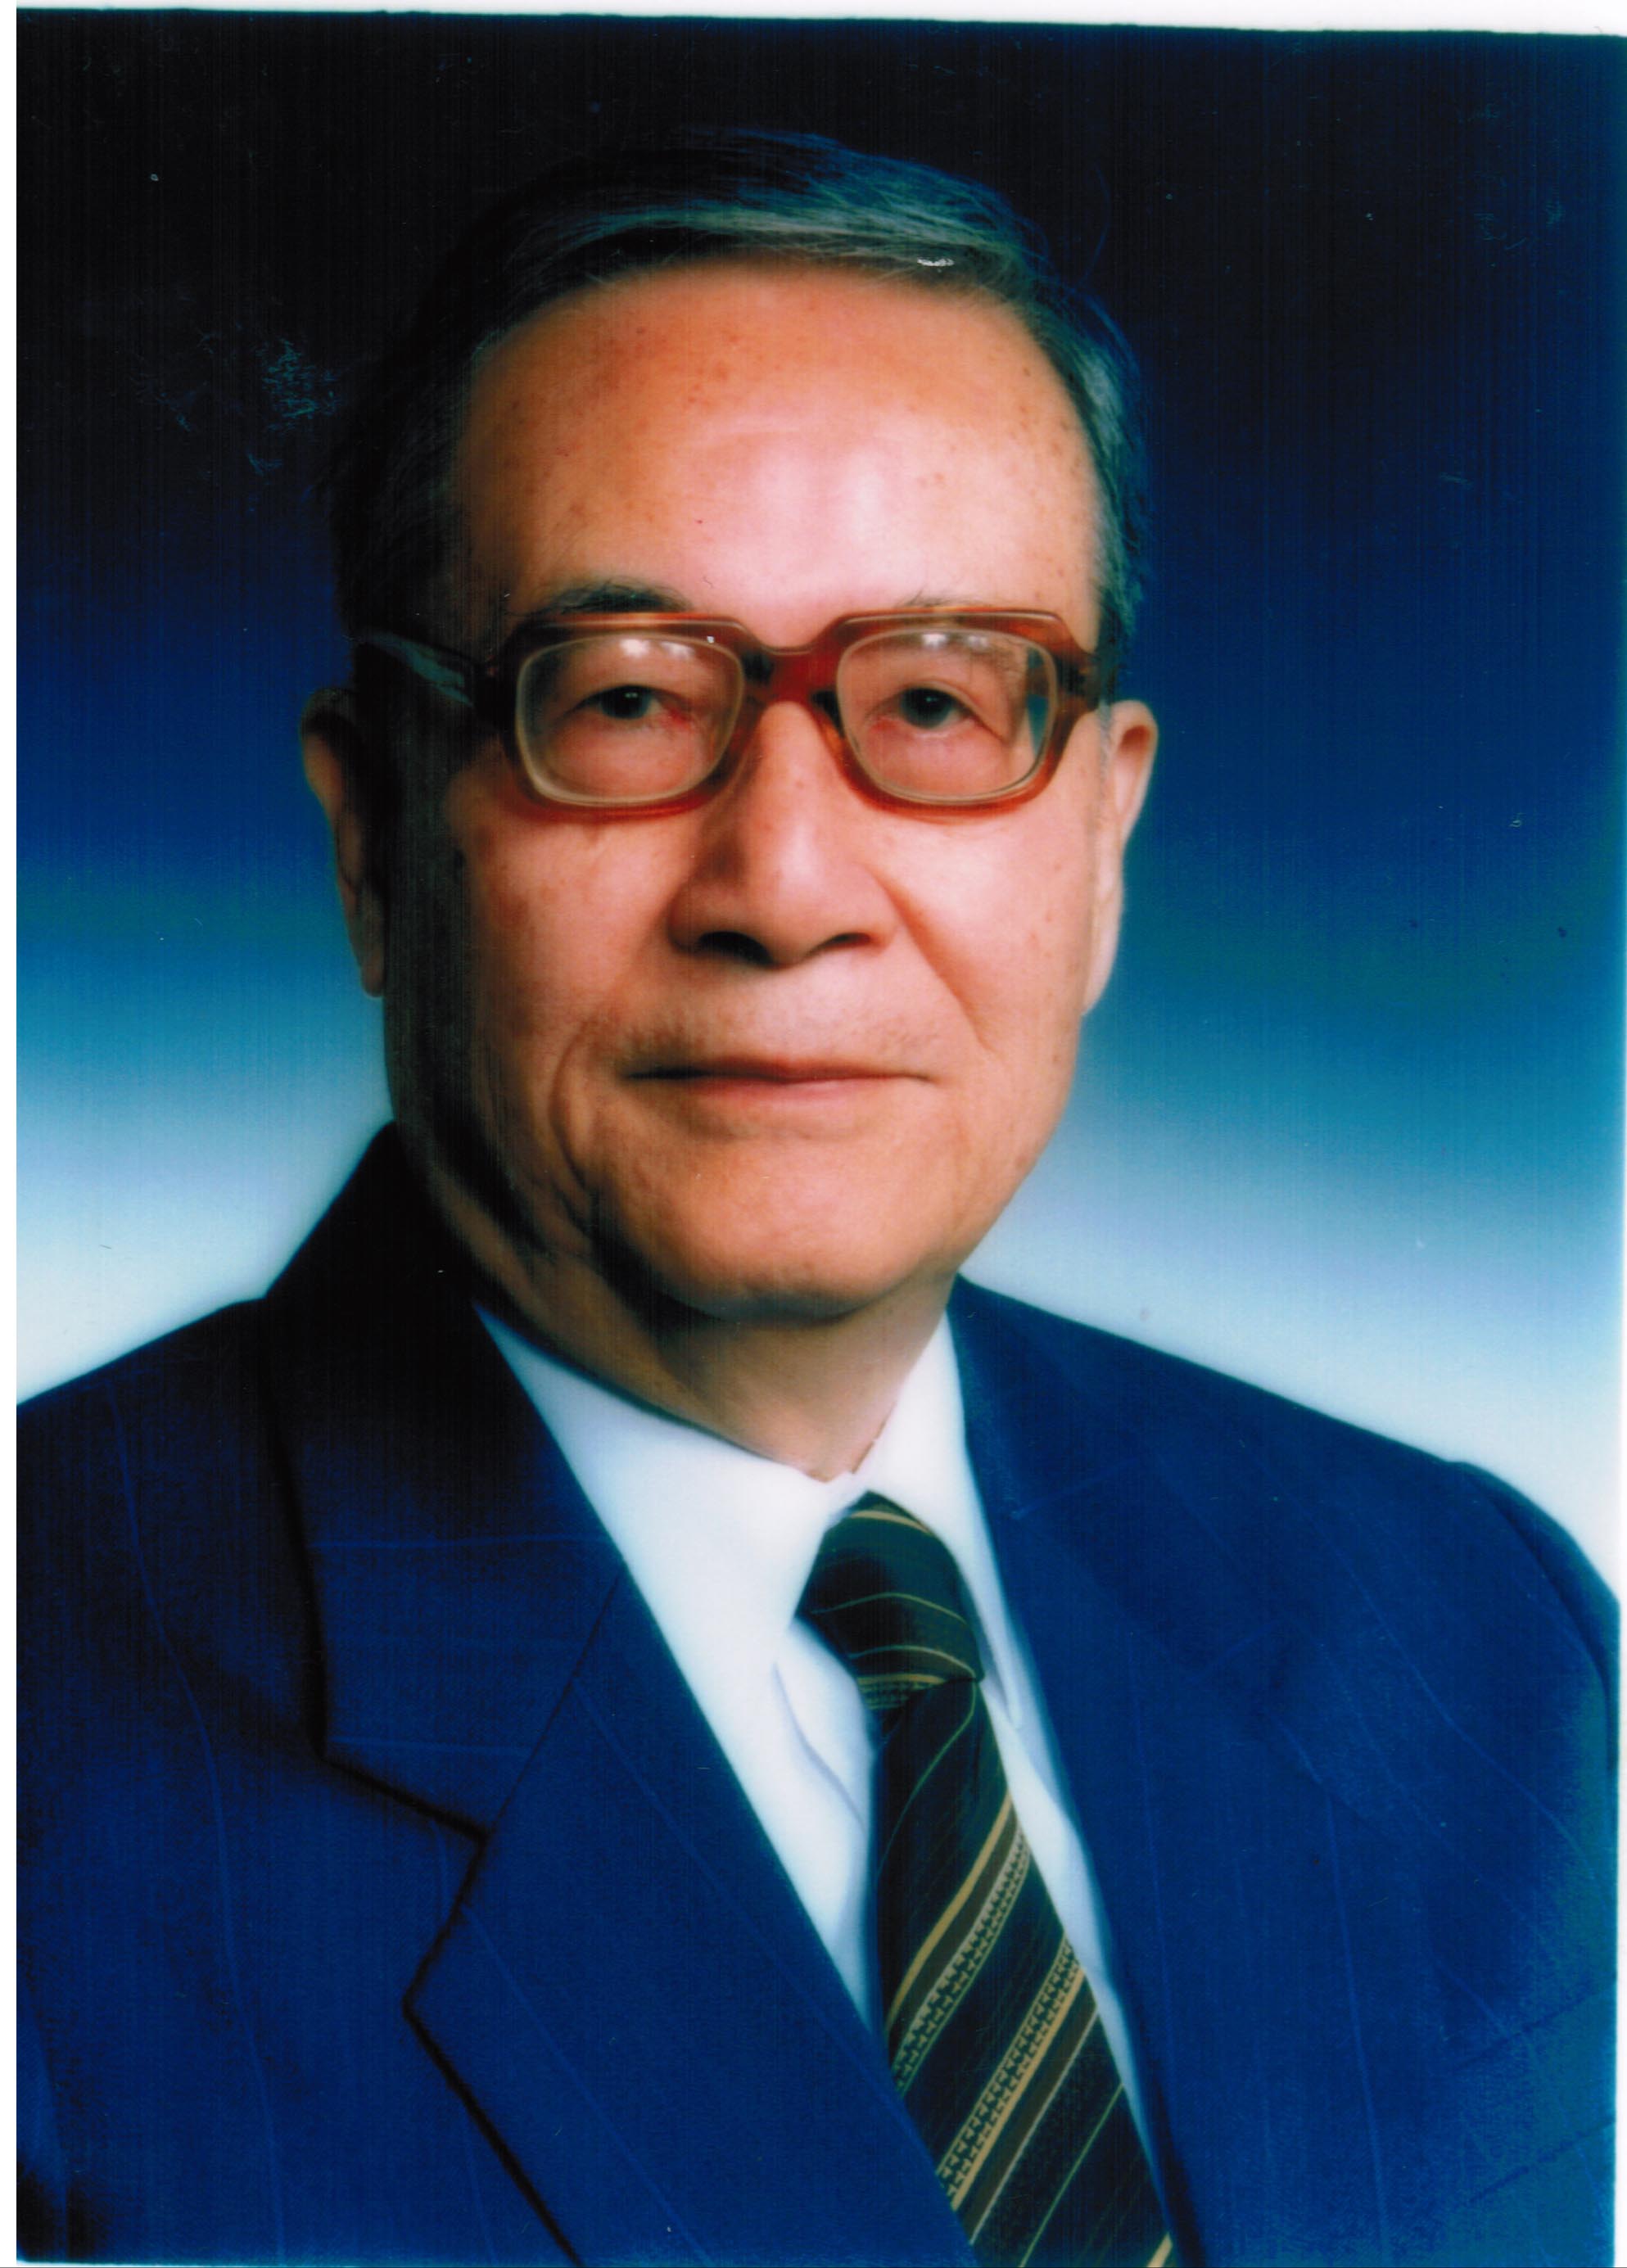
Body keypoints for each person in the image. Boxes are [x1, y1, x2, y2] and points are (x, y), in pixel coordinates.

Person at [18, 132, 1614, 2268]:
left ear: (1102, 843)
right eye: (620, 701)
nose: (781, 886)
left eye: (939, 702)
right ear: (375, 834)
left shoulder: (1481, 1633)